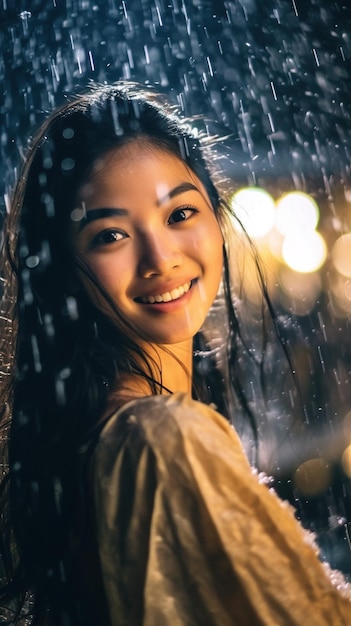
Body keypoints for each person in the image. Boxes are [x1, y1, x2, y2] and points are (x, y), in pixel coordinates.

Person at [0, 81, 350, 626]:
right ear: (64, 269)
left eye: (180, 214)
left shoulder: (100, 437)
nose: (159, 259)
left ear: (215, 214)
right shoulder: (159, 439)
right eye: (111, 235)